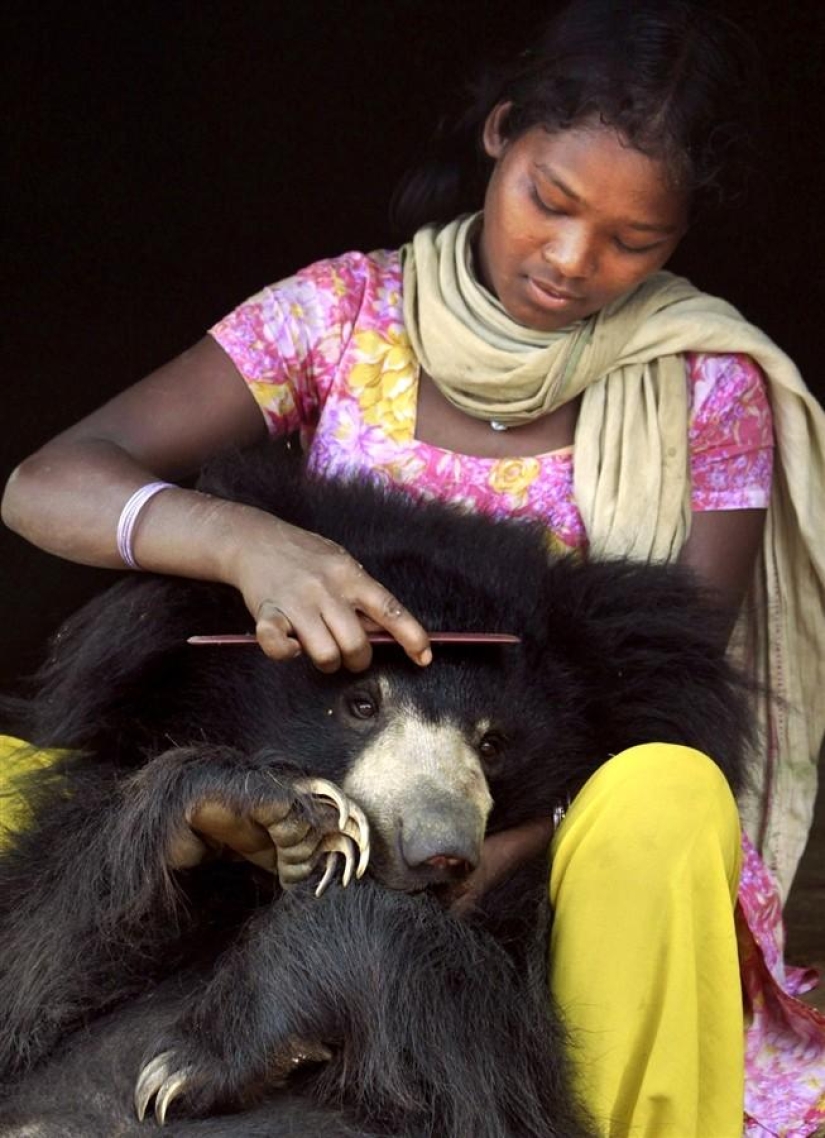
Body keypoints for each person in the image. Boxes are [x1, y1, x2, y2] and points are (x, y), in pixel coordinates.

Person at [2, 1, 824, 1134]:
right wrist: (251, 545)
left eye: (636, 241)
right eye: (554, 200)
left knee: (669, 797)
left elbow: (664, 708)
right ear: (499, 136)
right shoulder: (341, 316)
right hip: (263, 795)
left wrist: (501, 846)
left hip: (542, 862)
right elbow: (47, 481)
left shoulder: (706, 386)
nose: (576, 258)